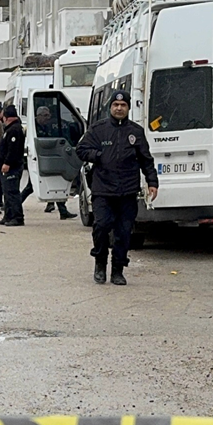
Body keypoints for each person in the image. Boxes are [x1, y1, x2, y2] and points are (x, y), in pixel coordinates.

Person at [77, 89, 158, 287]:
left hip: (127, 191)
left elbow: (146, 159)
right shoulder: (98, 129)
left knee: (123, 233)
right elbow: (81, 149)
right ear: (110, 107)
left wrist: (152, 182)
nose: (119, 108)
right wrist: (97, 155)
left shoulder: (136, 132)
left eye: (123, 105)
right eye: (116, 105)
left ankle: (118, 270)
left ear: (128, 108)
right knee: (102, 227)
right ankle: (100, 264)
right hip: (103, 191)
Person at [32, 106, 78, 220]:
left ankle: (60, 209)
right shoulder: (35, 127)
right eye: (46, 115)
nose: (49, 118)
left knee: (55, 182)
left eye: (49, 115)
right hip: (40, 159)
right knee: (30, 187)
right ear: (40, 116)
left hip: (48, 158)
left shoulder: (45, 126)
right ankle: (13, 206)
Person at [0, 105, 28, 226]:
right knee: (7, 192)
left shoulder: (14, 130)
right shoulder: (10, 129)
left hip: (12, 167)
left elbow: (13, 150)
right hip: (6, 167)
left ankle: (17, 217)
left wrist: (7, 163)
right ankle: (8, 215)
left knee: (13, 193)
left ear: (6, 117)